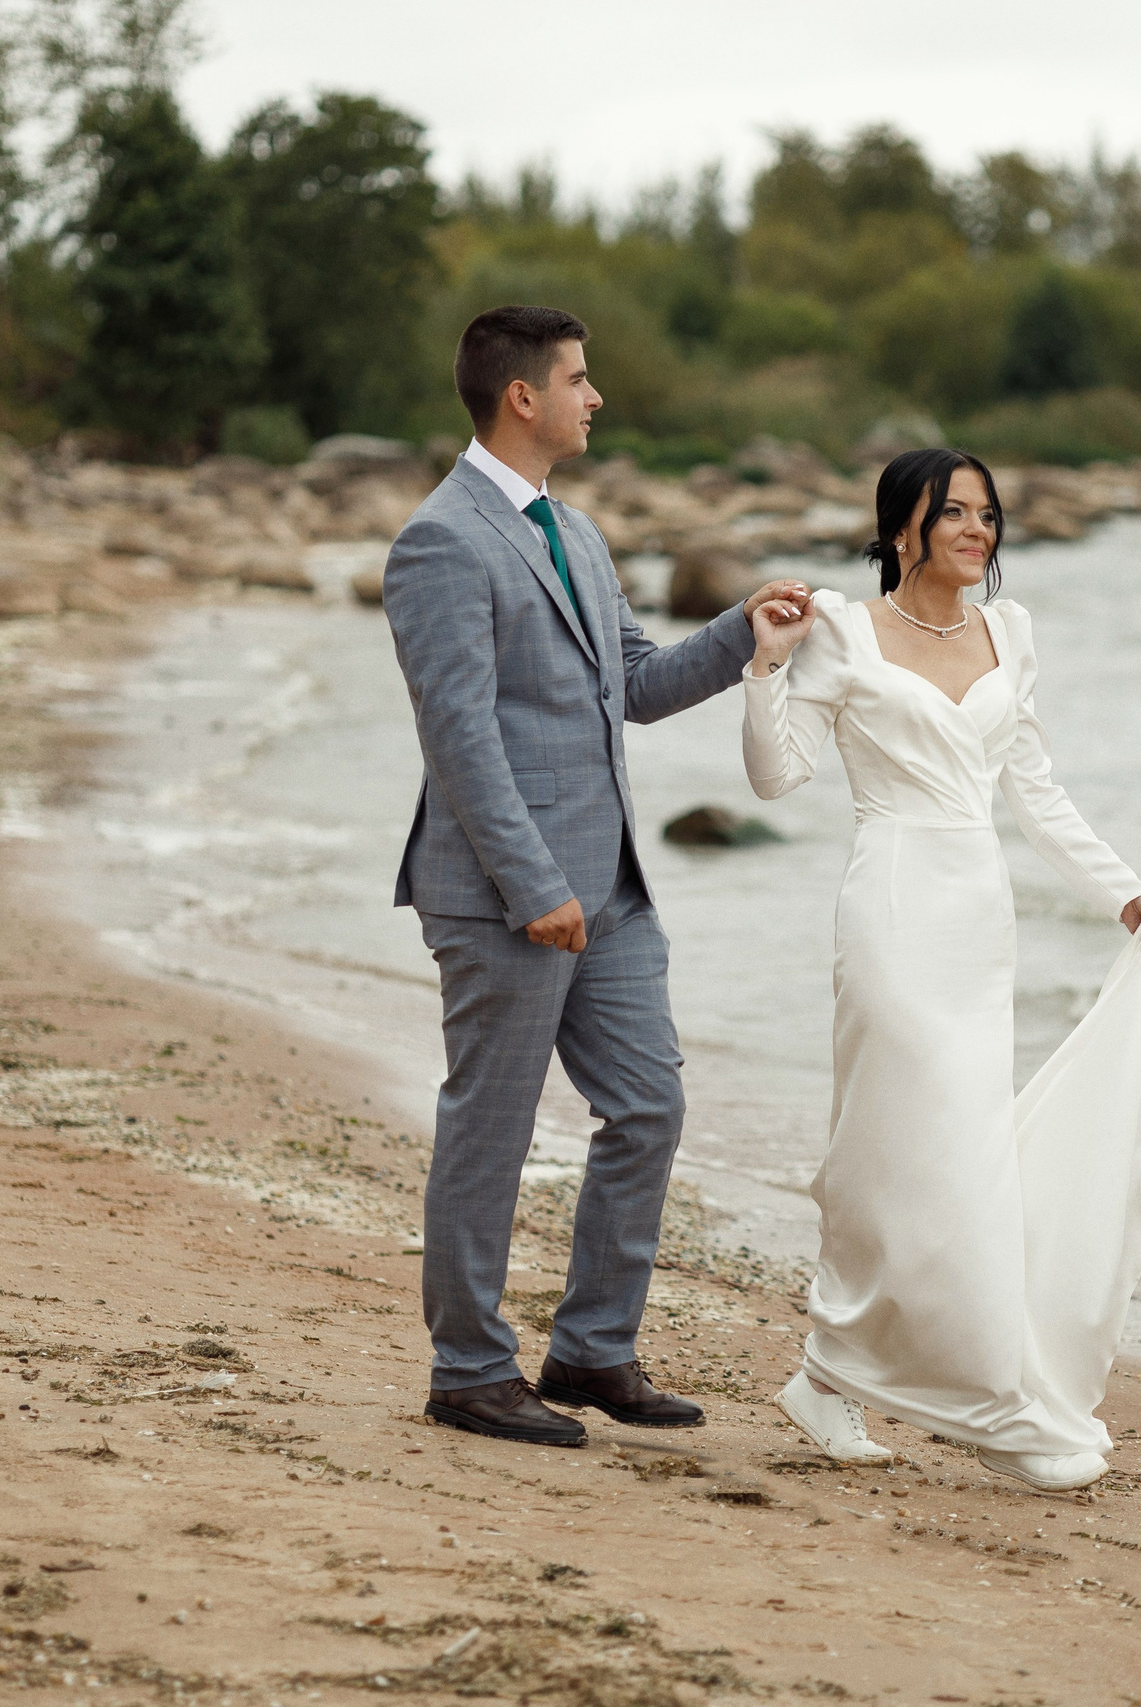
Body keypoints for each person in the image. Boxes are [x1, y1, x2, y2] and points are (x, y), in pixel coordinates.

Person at [382, 304, 809, 1448]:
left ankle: (590, 1350)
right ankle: (470, 1371)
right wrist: (531, 887)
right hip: (505, 895)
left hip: (610, 888)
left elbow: (637, 684)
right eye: (579, 378)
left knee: (649, 1106)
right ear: (522, 396)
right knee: (492, 1128)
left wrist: (742, 632)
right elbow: (459, 735)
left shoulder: (574, 529)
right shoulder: (440, 540)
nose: (596, 396)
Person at [737, 447, 1141, 1492]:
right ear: (903, 528)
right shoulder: (843, 630)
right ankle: (991, 1403)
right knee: (911, 1147)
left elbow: (1035, 789)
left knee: (942, 1146)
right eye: (955, 513)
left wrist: (1123, 890)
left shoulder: (1008, 633)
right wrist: (763, 671)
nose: (978, 530)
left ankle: (829, 1374)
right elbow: (775, 777)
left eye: (987, 514)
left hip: (979, 916)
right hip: (891, 906)